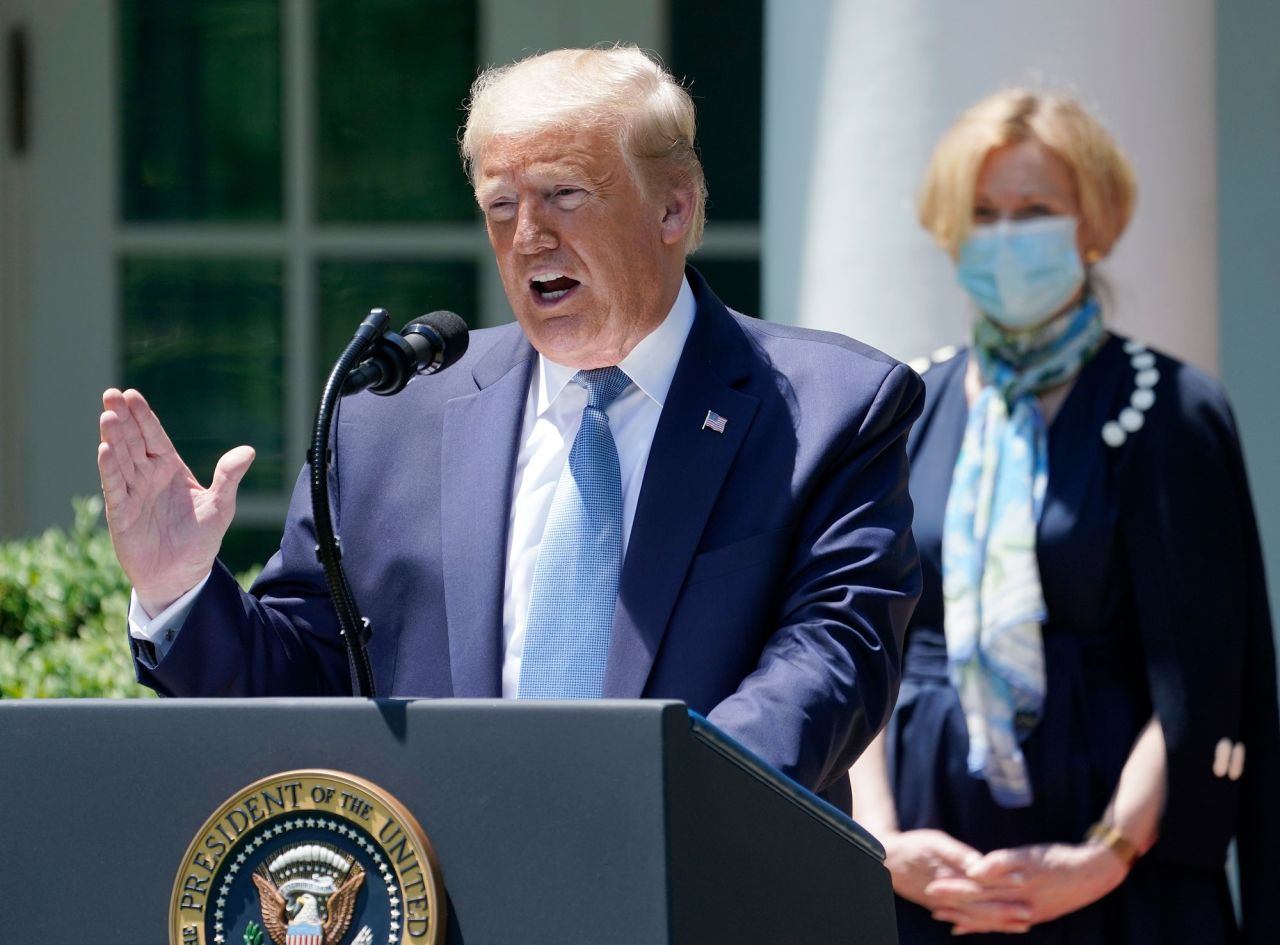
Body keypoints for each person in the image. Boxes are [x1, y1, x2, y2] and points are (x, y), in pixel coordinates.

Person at [97, 46, 924, 808]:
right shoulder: (388, 422)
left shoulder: (830, 408)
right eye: (501, 204)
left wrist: (662, 797)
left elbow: (833, 655)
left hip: (696, 882)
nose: (528, 237)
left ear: (674, 207)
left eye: (564, 194)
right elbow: (308, 686)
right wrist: (180, 590)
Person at [848, 88, 1280, 942]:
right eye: (983, 212)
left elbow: (1200, 679)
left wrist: (1102, 855)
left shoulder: (1171, 409)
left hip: (1118, 884)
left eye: (1035, 210)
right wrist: (879, 839)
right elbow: (859, 639)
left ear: (1094, 223)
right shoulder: (903, 404)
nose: (1006, 234)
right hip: (921, 883)